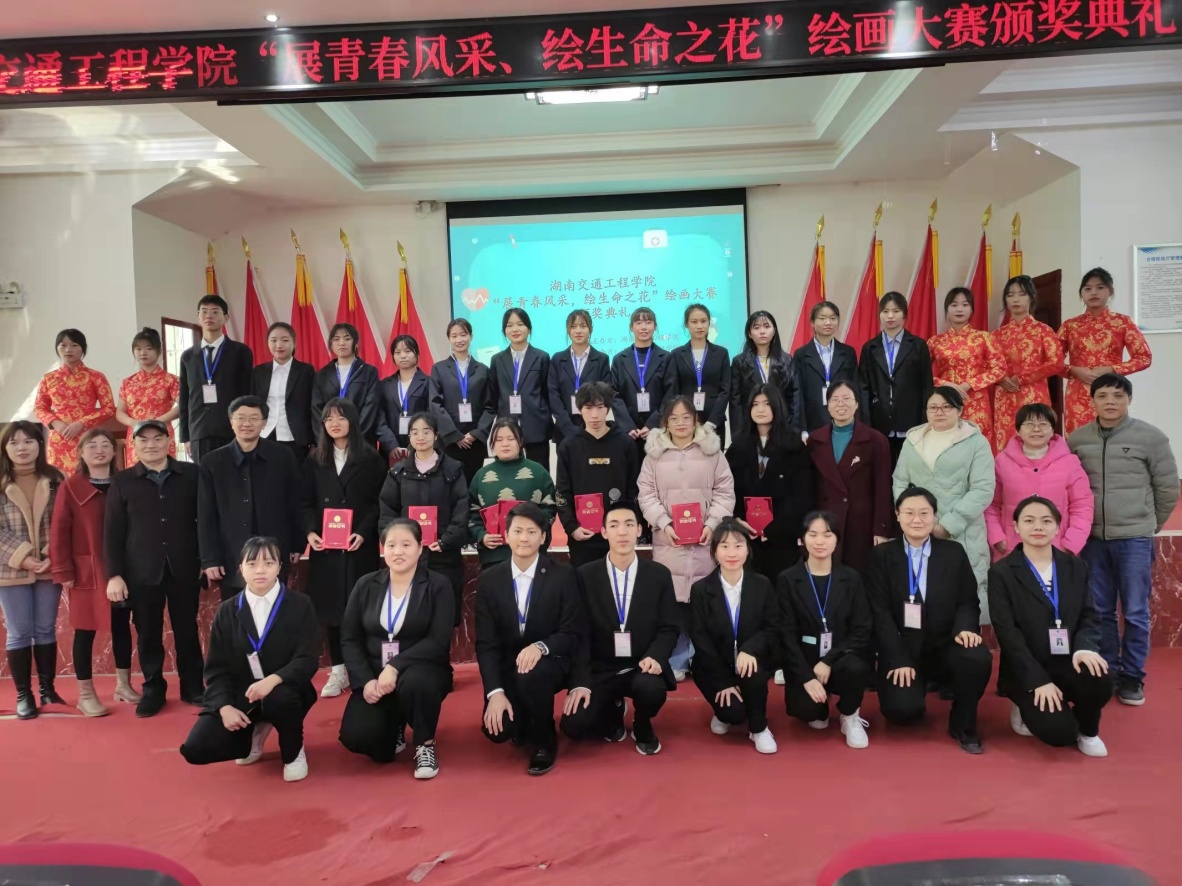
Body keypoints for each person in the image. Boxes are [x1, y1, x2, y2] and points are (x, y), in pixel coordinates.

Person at [1069, 373, 1178, 706]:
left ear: (1129, 399)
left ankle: (1132, 677)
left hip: (1134, 539)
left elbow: (1167, 488)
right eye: (1103, 396)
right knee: (1100, 610)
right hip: (1093, 540)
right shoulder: (1077, 439)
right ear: (1092, 401)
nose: (1110, 402)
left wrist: (1149, 524)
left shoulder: (1151, 437)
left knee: (1135, 611)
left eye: (1118, 395)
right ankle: (1109, 672)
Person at [179, 537, 320, 782]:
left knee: (279, 699)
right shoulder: (227, 611)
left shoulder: (300, 605)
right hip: (243, 693)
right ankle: (255, 730)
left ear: (279, 566)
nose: (260, 570)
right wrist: (224, 707)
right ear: (241, 569)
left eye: (268, 563)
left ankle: (293, 752)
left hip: (286, 689)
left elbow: (307, 658)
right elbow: (217, 669)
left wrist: (272, 680)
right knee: (196, 748)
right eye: (252, 564)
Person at [866, 488, 992, 754]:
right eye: (909, 513)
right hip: (904, 648)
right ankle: (918, 687)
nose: (917, 519)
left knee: (976, 656)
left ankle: (963, 723)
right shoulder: (882, 555)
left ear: (935, 516)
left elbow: (968, 600)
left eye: (924, 513)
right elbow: (879, 612)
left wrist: (965, 628)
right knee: (903, 712)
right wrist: (897, 658)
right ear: (897, 515)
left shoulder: (953, 552)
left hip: (946, 642)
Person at [988, 496, 1113, 757]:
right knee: (1060, 734)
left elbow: (1089, 615)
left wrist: (1085, 649)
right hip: (1028, 667)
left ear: (1057, 526)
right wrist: (1037, 680)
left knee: (1100, 676)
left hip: (1068, 660)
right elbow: (1007, 633)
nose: (1038, 527)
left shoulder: (1076, 566)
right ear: (1016, 527)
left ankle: (1088, 731)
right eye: (1029, 520)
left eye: (1046, 521)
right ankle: (1023, 703)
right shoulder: (1002, 572)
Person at [339, 519, 456, 779]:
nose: (398, 551)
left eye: (406, 545)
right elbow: (349, 638)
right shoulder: (365, 584)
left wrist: (394, 666)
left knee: (416, 683)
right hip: (375, 673)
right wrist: (365, 681)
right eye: (391, 545)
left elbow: (438, 640)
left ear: (420, 547)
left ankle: (425, 744)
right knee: (361, 739)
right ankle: (396, 723)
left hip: (422, 668)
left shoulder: (437, 585)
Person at [561, 500, 679, 755]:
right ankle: (612, 709)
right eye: (614, 525)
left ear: (640, 530)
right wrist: (580, 681)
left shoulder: (659, 574)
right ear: (604, 532)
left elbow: (669, 627)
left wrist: (656, 656)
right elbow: (578, 632)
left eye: (629, 524)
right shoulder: (584, 575)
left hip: (641, 663)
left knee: (651, 689)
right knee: (573, 726)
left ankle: (642, 722)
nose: (622, 532)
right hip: (602, 666)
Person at [476, 502, 584, 776]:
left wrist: (542, 646)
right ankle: (522, 715)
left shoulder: (563, 575)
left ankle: (545, 739)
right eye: (518, 531)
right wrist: (495, 693)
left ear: (544, 537)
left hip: (551, 663)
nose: (524, 538)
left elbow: (572, 632)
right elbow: (486, 644)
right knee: (499, 731)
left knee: (532, 672)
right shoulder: (490, 579)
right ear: (506, 534)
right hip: (510, 668)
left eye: (532, 532)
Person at [105, 420, 204, 716]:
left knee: (187, 629)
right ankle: (153, 689)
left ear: (169, 441)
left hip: (185, 566)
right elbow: (112, 532)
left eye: (158, 438)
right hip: (141, 570)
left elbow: (205, 520)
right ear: (134, 444)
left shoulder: (191, 474)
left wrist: (207, 560)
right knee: (147, 633)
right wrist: (114, 574)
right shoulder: (122, 482)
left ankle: (193, 686)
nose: (151, 445)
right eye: (144, 440)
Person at [638, 395, 736, 681]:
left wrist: (712, 524)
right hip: (668, 539)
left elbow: (725, 492)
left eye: (686, 418)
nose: (680, 423)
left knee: (704, 600)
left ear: (696, 420)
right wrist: (664, 523)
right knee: (674, 602)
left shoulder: (712, 452)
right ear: (665, 422)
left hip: (705, 539)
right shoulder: (653, 455)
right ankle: (678, 658)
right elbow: (646, 494)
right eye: (674, 418)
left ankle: (704, 658)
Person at [301, 397, 387, 699]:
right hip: (326, 548)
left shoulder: (371, 458)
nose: (334, 424)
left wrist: (363, 532)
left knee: (360, 608)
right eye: (328, 419)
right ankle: (338, 670)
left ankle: (363, 669)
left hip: (358, 545)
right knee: (331, 610)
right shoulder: (314, 459)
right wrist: (310, 532)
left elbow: (380, 501)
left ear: (352, 421)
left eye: (340, 417)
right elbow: (305, 501)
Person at [49, 430, 136, 717]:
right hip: (87, 570)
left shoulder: (125, 482)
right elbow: (59, 531)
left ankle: (124, 685)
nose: (99, 450)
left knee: (122, 626)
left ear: (114, 450)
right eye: (92, 445)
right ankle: (86, 695)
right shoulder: (71, 486)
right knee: (85, 631)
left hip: (123, 568)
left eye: (106, 445)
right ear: (81, 453)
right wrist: (63, 569)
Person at [893, 386, 996, 619]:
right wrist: (911, 517)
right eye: (933, 407)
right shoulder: (913, 440)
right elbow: (900, 481)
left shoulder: (976, 442)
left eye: (946, 407)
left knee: (965, 596)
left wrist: (949, 524)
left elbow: (982, 489)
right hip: (919, 530)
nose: (939, 412)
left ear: (960, 410)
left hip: (963, 531)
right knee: (923, 592)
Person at [777, 512, 873, 749]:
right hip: (805, 661)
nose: (820, 541)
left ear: (837, 539)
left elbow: (862, 629)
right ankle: (819, 702)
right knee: (810, 714)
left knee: (856, 667)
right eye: (813, 534)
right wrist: (807, 677)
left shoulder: (851, 578)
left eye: (827, 535)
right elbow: (785, 635)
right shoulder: (788, 579)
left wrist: (829, 660)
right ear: (802, 539)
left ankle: (850, 715)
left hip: (839, 658)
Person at [198, 396, 304, 602]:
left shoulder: (283, 456)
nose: (247, 423)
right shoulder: (212, 462)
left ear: (264, 423)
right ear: (231, 421)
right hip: (231, 554)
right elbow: (205, 514)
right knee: (236, 612)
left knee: (275, 610)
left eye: (254, 418)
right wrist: (210, 559)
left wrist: (297, 545)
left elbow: (294, 503)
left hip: (275, 551)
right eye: (241, 418)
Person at [689, 518, 782, 753]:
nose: (732, 553)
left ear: (748, 550)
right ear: (714, 551)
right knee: (733, 714)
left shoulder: (762, 585)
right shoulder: (701, 589)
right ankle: (723, 710)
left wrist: (750, 649)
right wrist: (723, 681)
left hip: (750, 661)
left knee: (753, 669)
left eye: (738, 546)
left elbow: (772, 628)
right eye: (724, 546)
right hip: (714, 666)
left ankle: (759, 727)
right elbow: (700, 637)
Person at [378, 413, 470, 625]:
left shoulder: (453, 470)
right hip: (409, 558)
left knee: (443, 618)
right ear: (409, 436)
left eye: (426, 431)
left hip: (443, 556)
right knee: (411, 619)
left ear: (436, 435)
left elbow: (461, 508)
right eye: (415, 432)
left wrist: (447, 540)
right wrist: (397, 543)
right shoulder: (398, 473)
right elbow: (387, 510)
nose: (421, 437)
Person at [0, 421, 65, 719]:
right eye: (14, 442)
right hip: (10, 569)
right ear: (5, 448)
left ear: (40, 445)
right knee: (19, 632)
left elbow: (64, 521)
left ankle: (48, 690)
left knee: (44, 629)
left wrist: (53, 553)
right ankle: (24, 695)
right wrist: (23, 556)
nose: (22, 447)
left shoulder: (55, 479)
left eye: (28, 441)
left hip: (49, 566)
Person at [726, 384, 813, 582]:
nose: (760, 409)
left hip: (781, 538)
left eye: (766, 404)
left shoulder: (794, 446)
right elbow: (728, 489)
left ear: (777, 407)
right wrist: (737, 520)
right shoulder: (738, 446)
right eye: (755, 404)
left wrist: (775, 528)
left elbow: (802, 494)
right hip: (746, 537)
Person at [985, 404, 1093, 559]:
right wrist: (997, 538)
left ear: (1052, 430)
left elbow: (1082, 505)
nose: (1036, 429)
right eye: (1029, 424)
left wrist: (1071, 543)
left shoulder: (1070, 462)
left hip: (1058, 549)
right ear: (1018, 430)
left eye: (1043, 424)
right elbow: (990, 505)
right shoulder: (1001, 462)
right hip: (1012, 549)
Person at [806, 380, 892, 573]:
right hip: (825, 524)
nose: (841, 404)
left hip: (861, 524)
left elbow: (883, 487)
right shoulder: (815, 440)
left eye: (846, 399)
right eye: (835, 399)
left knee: (860, 577)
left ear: (857, 404)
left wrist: (881, 528)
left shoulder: (875, 440)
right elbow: (808, 487)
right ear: (828, 405)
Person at [555, 381, 640, 568]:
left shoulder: (625, 443)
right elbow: (562, 491)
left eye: (600, 408)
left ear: (608, 408)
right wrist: (572, 527)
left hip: (618, 535)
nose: (594, 415)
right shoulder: (569, 446)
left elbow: (633, 489)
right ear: (579, 409)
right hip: (582, 535)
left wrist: (629, 525)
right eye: (588, 408)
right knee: (584, 583)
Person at [1058, 268, 1152, 436]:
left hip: (1112, 391)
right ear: (1081, 294)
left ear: (1110, 291)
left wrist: (1112, 369)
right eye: (1088, 288)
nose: (1093, 292)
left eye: (1100, 287)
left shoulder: (1122, 322)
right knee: (1079, 441)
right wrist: (1073, 370)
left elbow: (1144, 357)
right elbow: (1051, 361)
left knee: (1115, 439)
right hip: (1078, 394)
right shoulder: (1070, 325)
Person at [468, 418, 557, 570]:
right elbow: (471, 512)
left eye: (511, 438)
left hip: (531, 553)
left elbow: (550, 508)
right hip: (494, 555)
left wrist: (535, 532)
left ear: (520, 442)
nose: (505, 444)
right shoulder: (481, 476)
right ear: (492, 444)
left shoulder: (538, 472)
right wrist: (482, 536)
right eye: (499, 440)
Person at [989, 276, 1065, 453]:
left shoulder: (1043, 330)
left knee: (1035, 442)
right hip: (1005, 397)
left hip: (1034, 396)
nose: (1015, 299)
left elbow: (1057, 363)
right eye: (1010, 295)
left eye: (1021, 294)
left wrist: (1022, 379)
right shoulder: (996, 335)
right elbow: (987, 366)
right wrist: (1000, 379)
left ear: (1031, 297)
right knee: (1006, 445)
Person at [858, 292, 935, 466]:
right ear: (879, 314)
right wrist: (866, 423)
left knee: (910, 471)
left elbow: (927, 386)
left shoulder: (918, 345)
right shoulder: (869, 348)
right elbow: (863, 388)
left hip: (911, 421)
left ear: (904, 314)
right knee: (882, 471)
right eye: (885, 311)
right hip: (879, 421)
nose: (890, 316)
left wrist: (925, 421)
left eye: (896, 311)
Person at [177, 295, 254, 464]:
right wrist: (186, 437)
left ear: (226, 317)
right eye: (204, 312)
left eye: (214, 312)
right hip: (199, 432)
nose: (208, 316)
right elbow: (184, 398)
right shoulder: (188, 356)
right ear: (198, 317)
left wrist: (246, 429)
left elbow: (247, 393)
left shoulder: (240, 352)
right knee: (203, 477)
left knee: (232, 476)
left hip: (232, 430)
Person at [928, 287, 1006, 453]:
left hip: (976, 401)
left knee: (977, 448)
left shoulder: (984, 338)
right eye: (954, 305)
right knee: (946, 447)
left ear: (971, 310)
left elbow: (999, 368)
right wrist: (944, 383)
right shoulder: (935, 341)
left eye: (965, 305)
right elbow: (920, 373)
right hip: (945, 401)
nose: (959, 309)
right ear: (947, 309)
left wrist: (969, 384)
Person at [34, 328, 116, 474]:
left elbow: (109, 408)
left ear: (83, 348)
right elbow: (39, 408)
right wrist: (55, 423)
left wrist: (82, 423)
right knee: (59, 480)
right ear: (57, 348)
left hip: (87, 438)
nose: (68, 349)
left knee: (88, 477)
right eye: (63, 345)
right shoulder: (49, 378)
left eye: (74, 345)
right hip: (59, 438)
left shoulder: (96, 377)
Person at [549, 309, 632, 444]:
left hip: (594, 428)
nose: (578, 331)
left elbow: (605, 394)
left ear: (590, 329)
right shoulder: (558, 359)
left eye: (583, 326)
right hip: (564, 430)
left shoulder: (601, 359)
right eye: (573, 327)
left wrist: (591, 423)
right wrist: (566, 426)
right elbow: (553, 394)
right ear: (568, 330)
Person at [430, 318, 496, 487]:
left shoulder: (483, 370)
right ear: (449, 339)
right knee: (449, 487)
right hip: (449, 442)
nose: (459, 339)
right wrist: (455, 435)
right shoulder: (439, 369)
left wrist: (476, 433)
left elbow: (490, 406)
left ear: (471, 336)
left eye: (463, 334)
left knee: (473, 486)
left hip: (475, 442)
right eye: (454, 336)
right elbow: (435, 404)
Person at [488, 308, 553, 467]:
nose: (515, 329)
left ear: (529, 328)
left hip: (536, 426)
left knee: (538, 471)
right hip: (507, 427)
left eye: (520, 324)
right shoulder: (497, 360)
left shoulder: (542, 357)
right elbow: (494, 395)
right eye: (509, 325)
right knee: (510, 472)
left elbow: (547, 392)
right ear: (504, 331)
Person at [611, 307, 672, 466]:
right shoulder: (619, 359)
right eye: (638, 323)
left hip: (658, 431)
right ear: (631, 327)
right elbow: (614, 395)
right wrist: (628, 426)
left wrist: (653, 424)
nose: (643, 327)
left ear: (655, 326)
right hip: (629, 432)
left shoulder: (666, 358)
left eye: (648, 322)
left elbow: (670, 394)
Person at [662, 303, 731, 440]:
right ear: (686, 324)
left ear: (709, 323)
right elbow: (673, 390)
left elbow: (725, 390)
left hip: (714, 422)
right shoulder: (676, 354)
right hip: (684, 423)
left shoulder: (721, 353)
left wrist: (712, 422)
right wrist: (680, 419)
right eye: (694, 322)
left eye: (703, 321)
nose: (699, 326)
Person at [252, 321, 316, 466]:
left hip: (296, 437)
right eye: (273, 340)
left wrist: (313, 440)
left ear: (294, 343)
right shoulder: (259, 372)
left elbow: (312, 407)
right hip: (266, 434)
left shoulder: (306, 371)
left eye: (285, 340)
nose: (279, 345)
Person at [116, 327, 180, 467]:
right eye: (138, 349)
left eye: (149, 348)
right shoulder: (128, 382)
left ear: (159, 352)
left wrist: (157, 421)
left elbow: (183, 406)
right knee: (137, 475)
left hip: (161, 434)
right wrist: (133, 423)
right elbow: (120, 412)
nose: (143, 353)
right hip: (137, 436)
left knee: (165, 472)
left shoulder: (171, 380)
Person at [793, 300, 859, 435]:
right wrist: (802, 429)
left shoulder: (848, 353)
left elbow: (855, 388)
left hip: (843, 419)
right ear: (812, 322)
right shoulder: (801, 354)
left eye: (833, 318)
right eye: (822, 318)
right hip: (813, 421)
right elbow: (798, 393)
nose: (828, 322)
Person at [311, 322, 383, 446]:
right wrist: (326, 440)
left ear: (356, 343)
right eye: (336, 339)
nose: (342, 343)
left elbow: (371, 407)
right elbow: (317, 409)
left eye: (347, 338)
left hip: (361, 441)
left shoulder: (368, 372)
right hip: (330, 443)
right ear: (331, 344)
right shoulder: (322, 374)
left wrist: (355, 438)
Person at [729, 310, 801, 434]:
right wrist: (738, 434)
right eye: (756, 328)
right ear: (749, 333)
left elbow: (794, 397)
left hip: (782, 426)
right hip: (750, 428)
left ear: (774, 331)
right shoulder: (739, 362)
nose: (762, 331)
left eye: (767, 327)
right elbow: (736, 402)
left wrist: (794, 429)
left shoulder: (787, 360)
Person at [377, 335, 437, 461]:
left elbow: (431, 415)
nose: (403, 356)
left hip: (421, 447)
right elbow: (379, 418)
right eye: (397, 352)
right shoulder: (384, 385)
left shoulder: (428, 382)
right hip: (390, 450)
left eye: (407, 351)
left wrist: (413, 445)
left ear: (417, 354)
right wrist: (391, 445)